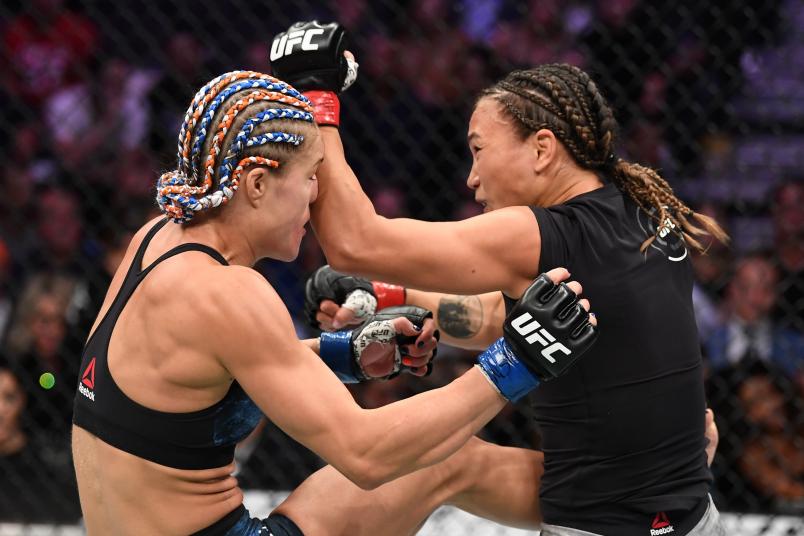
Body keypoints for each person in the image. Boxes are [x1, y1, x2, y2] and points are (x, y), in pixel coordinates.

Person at [70, 69, 598, 536]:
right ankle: (615, 515)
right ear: (257, 184)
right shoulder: (227, 292)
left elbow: (219, 375)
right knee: (434, 462)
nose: (317, 196)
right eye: (310, 176)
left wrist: (347, 352)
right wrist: (516, 360)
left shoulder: (159, 239)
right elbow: (367, 456)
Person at [273, 21, 729, 535]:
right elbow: (497, 316)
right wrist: (385, 295)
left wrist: (315, 96)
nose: (471, 178)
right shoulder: (640, 211)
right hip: (686, 513)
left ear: (541, 149)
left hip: (602, 521)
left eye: (479, 150)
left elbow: (355, 242)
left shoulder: (540, 234)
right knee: (447, 461)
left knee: (422, 457)